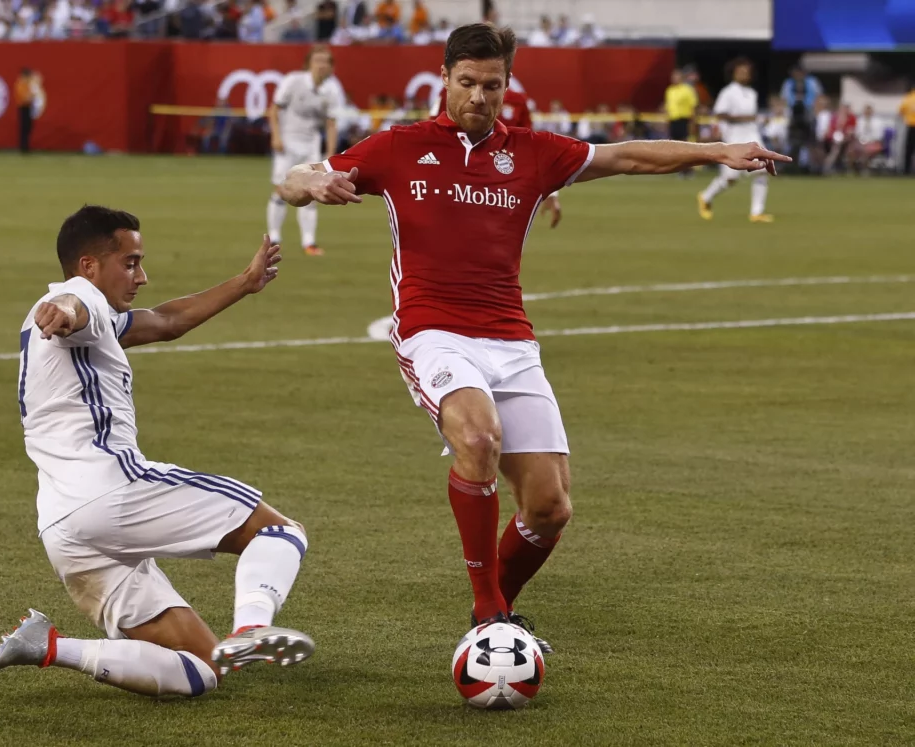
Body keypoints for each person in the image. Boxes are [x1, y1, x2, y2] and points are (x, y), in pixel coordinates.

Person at [276, 23, 787, 646]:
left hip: (512, 343)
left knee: (549, 509)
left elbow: (624, 155)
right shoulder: (397, 147)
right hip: (433, 332)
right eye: (467, 83)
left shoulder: (535, 153)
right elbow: (293, 178)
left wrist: (716, 153)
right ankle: (489, 613)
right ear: (444, 79)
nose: (479, 97)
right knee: (479, 436)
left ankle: (492, 618)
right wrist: (313, 183)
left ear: (506, 84)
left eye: (492, 85)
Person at [0, 206, 313, 698]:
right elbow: (74, 306)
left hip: (64, 527)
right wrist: (67, 308)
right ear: (89, 265)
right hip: (112, 490)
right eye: (131, 262)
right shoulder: (78, 302)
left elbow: (165, 320)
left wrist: (244, 283)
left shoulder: (92, 321)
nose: (142, 275)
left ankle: (49, 646)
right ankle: (251, 628)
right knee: (279, 533)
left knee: (201, 670)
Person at [430, 82, 562, 226]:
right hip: (459, 178)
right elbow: (433, 133)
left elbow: (530, 147)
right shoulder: (449, 93)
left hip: (502, 184)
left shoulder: (517, 100)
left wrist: (551, 193)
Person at [266, 46, 340, 256]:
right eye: (317, 60)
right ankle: (274, 237)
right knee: (281, 191)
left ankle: (309, 242)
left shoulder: (331, 90)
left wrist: (331, 154)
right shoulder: (293, 81)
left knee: (312, 191)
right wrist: (276, 136)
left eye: (325, 61)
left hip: (311, 145)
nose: (321, 65)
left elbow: (331, 124)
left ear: (331, 67)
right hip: (288, 142)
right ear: (308, 63)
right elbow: (274, 109)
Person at [698, 57, 774, 223]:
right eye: (741, 72)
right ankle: (705, 197)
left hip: (752, 135)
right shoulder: (728, 92)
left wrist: (759, 120)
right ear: (733, 74)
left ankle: (757, 212)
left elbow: (752, 117)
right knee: (730, 178)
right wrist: (748, 118)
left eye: (747, 72)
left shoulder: (752, 93)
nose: (744, 75)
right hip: (735, 137)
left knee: (761, 170)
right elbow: (720, 114)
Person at [15, 68, 35, 154]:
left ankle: (26, 146)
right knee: (24, 128)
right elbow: (24, 98)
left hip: (28, 107)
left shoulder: (27, 85)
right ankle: (23, 147)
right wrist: (30, 97)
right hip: (23, 108)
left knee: (28, 127)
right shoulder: (20, 84)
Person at [899, 84, 915, 175]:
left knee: (909, 150)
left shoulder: (908, 98)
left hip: (911, 126)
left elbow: (900, 111)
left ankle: (906, 170)